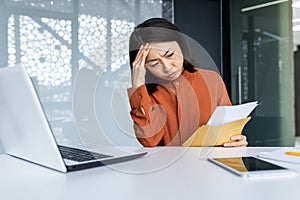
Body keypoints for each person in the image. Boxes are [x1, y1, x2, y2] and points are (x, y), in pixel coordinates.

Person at [127, 18, 247, 147]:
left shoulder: (212, 80)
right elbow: (149, 141)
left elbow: (228, 130)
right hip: (169, 166)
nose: (168, 67)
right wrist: (138, 85)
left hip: (209, 165)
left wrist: (236, 141)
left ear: (181, 46)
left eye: (170, 55)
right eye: (155, 64)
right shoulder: (147, 96)